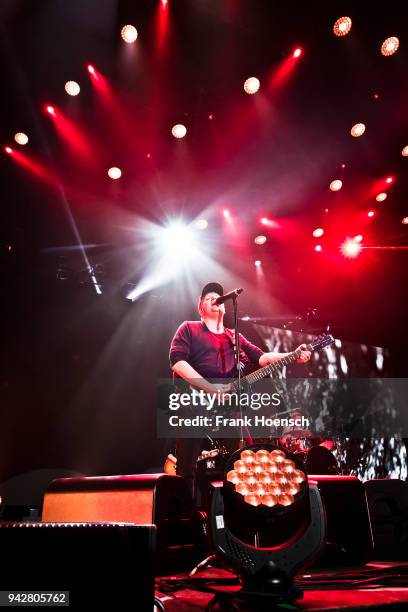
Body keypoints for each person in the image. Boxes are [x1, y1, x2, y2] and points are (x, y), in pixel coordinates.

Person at [169, 282, 311, 501]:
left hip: (227, 410)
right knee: (186, 469)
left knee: (236, 465)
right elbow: (177, 363)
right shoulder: (189, 328)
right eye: (209, 298)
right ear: (200, 308)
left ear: (226, 307)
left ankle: (229, 517)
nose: (215, 300)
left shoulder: (234, 337)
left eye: (219, 298)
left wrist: (292, 354)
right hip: (193, 405)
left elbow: (263, 358)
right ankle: (184, 520)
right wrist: (211, 388)